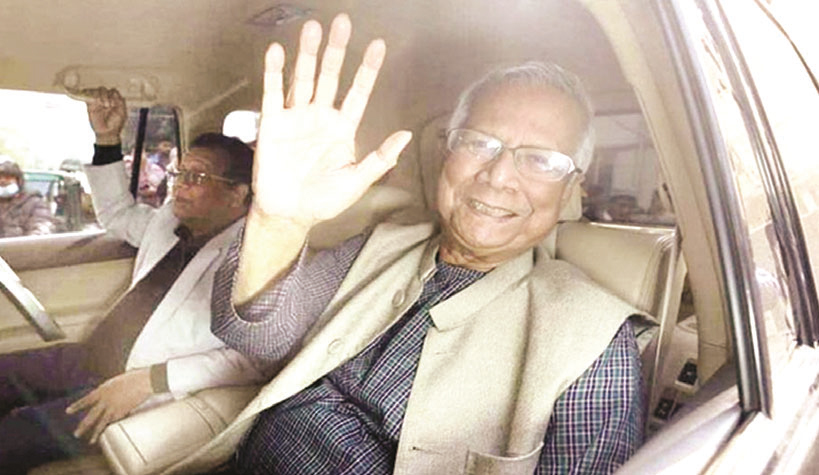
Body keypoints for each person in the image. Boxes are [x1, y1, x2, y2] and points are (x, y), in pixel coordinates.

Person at [175, 14, 644, 475]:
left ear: (570, 188)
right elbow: (255, 338)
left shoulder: (596, 343)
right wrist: (279, 222)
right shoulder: (381, 243)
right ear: (446, 153)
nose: (499, 176)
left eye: (541, 161)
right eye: (479, 143)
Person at [0, 88, 272, 474]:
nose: (179, 185)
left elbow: (256, 358)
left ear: (237, 194)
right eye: (179, 173)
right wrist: (107, 139)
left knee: (12, 437)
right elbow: (116, 214)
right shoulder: (170, 220)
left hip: (137, 389)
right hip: (87, 358)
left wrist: (150, 381)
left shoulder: (255, 258)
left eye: (197, 177)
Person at [0, 157, 53, 237]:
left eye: (8, 177)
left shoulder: (34, 203)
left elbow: (41, 228)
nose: (2, 181)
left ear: (18, 180)